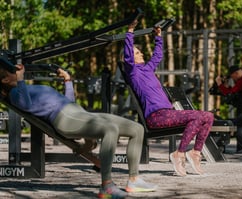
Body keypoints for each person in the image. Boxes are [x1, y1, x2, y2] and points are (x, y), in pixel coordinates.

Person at [0, 57, 157, 199]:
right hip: (64, 119)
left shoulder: (24, 89)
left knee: (137, 129)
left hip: (77, 112)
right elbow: (25, 105)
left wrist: (68, 82)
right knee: (110, 129)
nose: (17, 71)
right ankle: (107, 186)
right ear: (6, 79)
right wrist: (20, 79)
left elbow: (68, 102)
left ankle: (134, 179)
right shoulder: (14, 93)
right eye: (12, 71)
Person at [122, 20, 214, 177]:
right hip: (156, 116)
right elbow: (128, 55)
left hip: (167, 112)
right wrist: (130, 30)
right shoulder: (133, 73)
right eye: (138, 53)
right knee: (198, 116)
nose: (141, 54)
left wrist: (159, 37)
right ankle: (179, 153)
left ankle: (195, 153)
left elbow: (157, 56)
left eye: (140, 52)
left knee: (208, 116)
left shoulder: (147, 69)